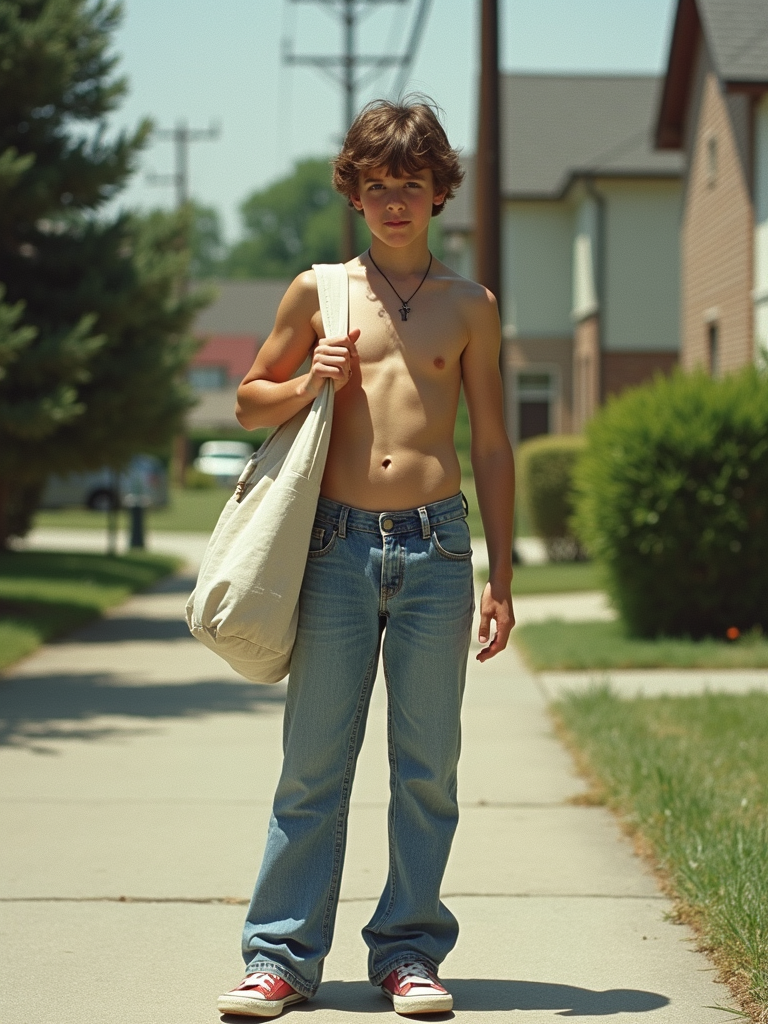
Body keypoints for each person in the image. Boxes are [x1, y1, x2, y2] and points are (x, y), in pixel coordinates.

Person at [218, 98, 515, 1018]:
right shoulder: (319, 292)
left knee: (427, 767)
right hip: (336, 547)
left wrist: (502, 577)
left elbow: (494, 445)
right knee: (313, 764)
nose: (394, 203)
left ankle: (409, 953)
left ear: (438, 196)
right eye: (378, 187)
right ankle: (280, 959)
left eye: (411, 187)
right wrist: (313, 378)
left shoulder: (471, 306)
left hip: (435, 551)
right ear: (355, 194)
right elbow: (246, 402)